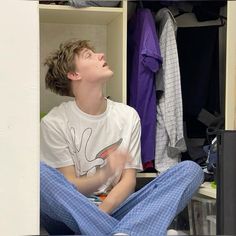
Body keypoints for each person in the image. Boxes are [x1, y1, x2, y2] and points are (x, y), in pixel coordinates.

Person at [40, 39, 204, 236]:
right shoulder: (54, 122)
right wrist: (105, 174)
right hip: (71, 216)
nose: (100, 55)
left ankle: (122, 231)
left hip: (117, 209)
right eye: (88, 56)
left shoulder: (128, 116)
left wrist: (101, 216)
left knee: (190, 170)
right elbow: (69, 187)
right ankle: (136, 232)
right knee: (39, 175)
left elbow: (128, 181)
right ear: (74, 74)